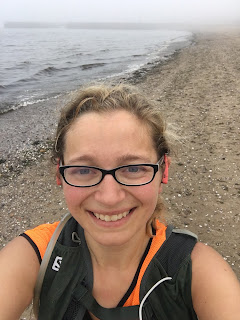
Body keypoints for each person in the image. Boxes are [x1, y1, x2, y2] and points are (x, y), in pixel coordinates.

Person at [0, 84, 239, 320]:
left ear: (163, 170)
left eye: (133, 168)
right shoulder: (37, 255)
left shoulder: (199, 273)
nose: (109, 197)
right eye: (84, 170)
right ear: (59, 174)